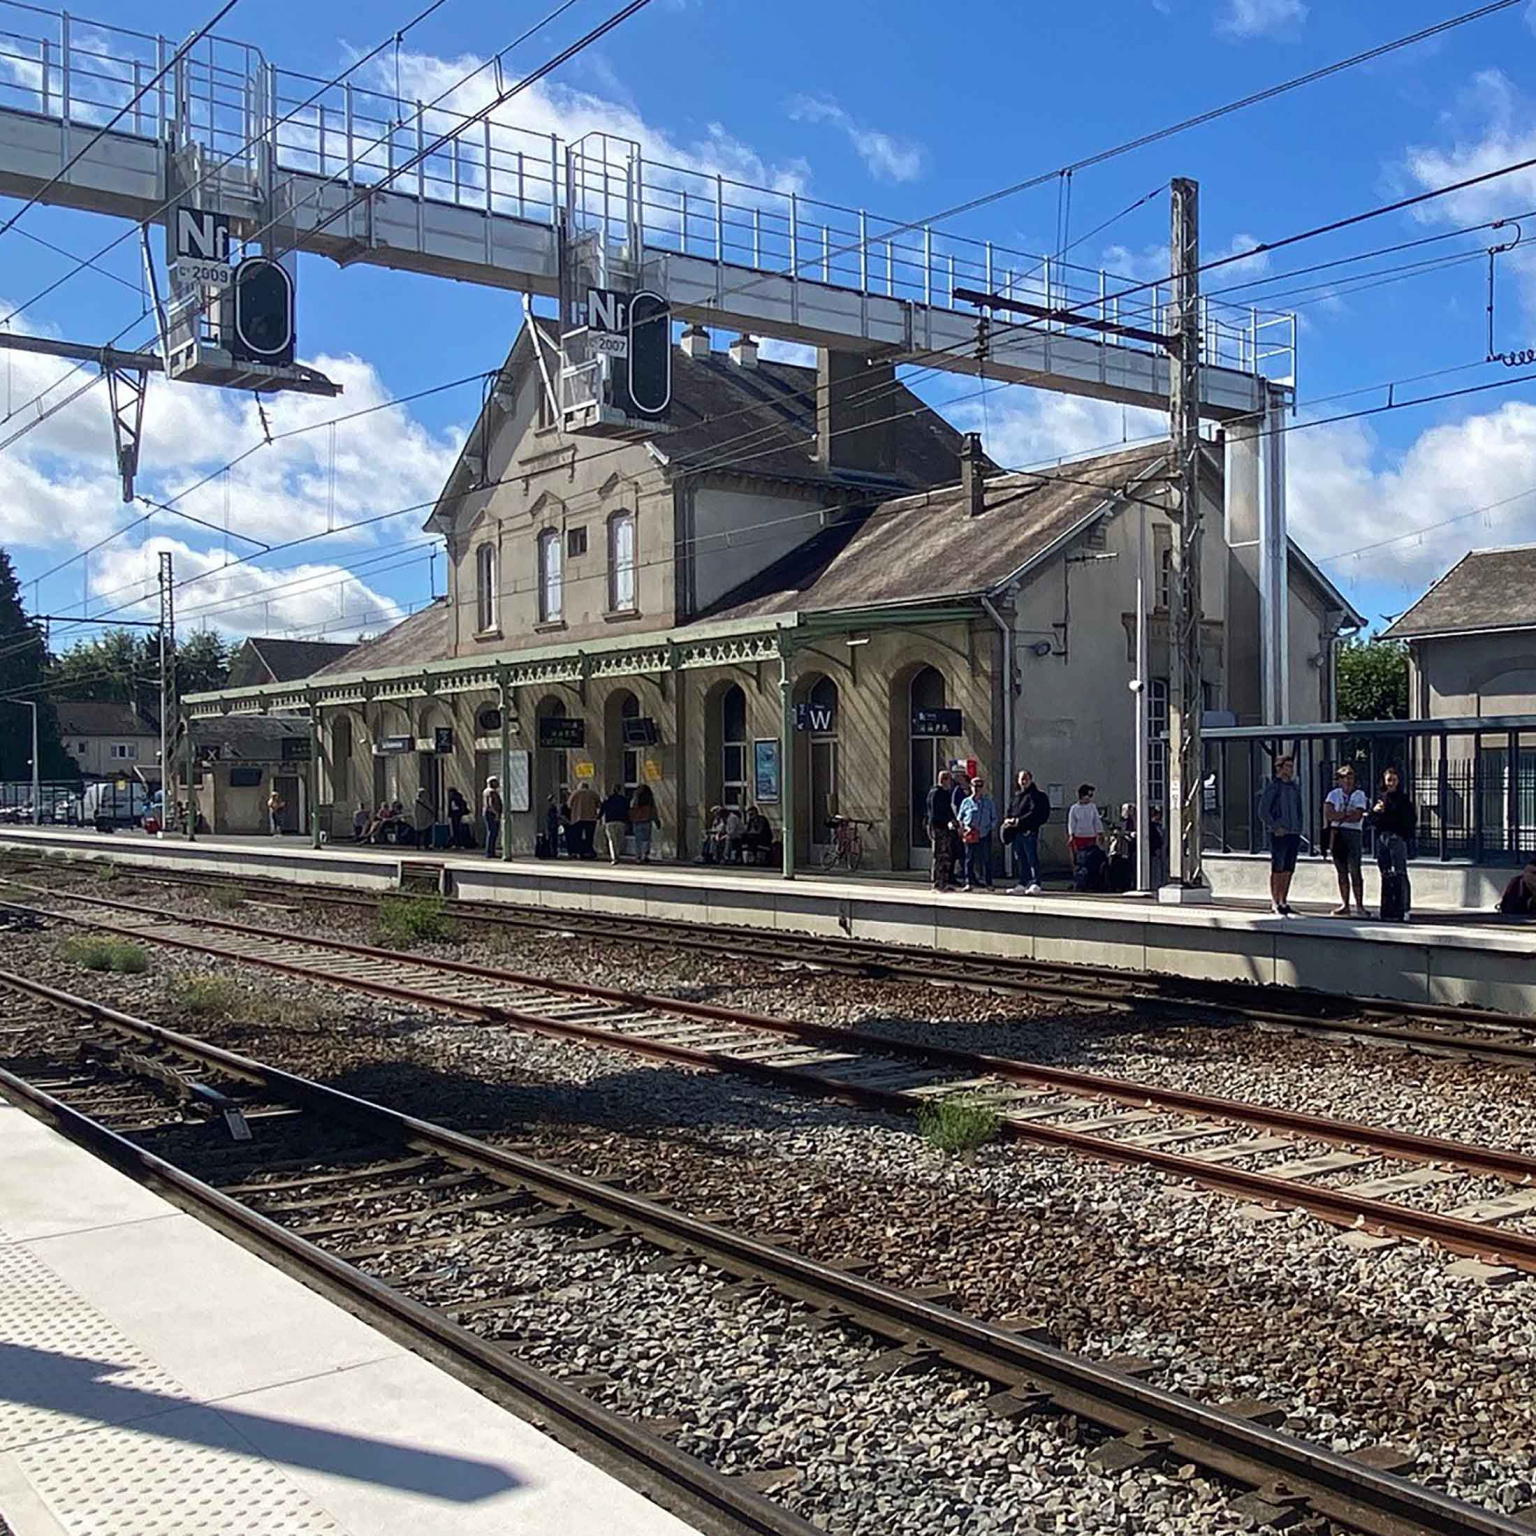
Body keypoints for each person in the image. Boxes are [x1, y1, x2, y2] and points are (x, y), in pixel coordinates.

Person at [1256, 756, 1303, 915]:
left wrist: (1298, 827)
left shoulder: (1294, 787)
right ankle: (1275, 901)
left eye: (1291, 766)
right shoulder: (1273, 787)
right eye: (1287, 766)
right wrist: (1275, 826)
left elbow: (1299, 809)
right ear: (1280, 768)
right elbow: (1263, 810)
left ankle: (1284, 900)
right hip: (1279, 833)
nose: (1290, 770)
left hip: (1293, 832)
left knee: (1289, 868)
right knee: (1278, 867)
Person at [1372, 766, 1417, 922]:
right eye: (1388, 780)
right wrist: (1375, 812)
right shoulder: (1381, 798)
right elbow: (1373, 821)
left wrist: (1403, 834)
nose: (1391, 783)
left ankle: (1404, 908)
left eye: (1394, 780)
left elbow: (1410, 819)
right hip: (1382, 838)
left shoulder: (1403, 799)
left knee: (1400, 872)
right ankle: (1388, 907)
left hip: (1396, 837)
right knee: (1385, 872)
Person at [1323, 764, 1367, 916]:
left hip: (1353, 833)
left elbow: (1358, 816)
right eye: (1344, 778)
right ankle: (1345, 904)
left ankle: (1359, 905)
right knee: (1341, 870)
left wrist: (1340, 815)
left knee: (1355, 869)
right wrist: (1346, 814)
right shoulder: (1333, 795)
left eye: (1350, 777)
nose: (1347, 781)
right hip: (1337, 833)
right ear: (1339, 780)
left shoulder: (1359, 795)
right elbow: (1329, 814)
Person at [1005, 770, 1051, 894]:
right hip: (1017, 832)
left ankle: (1035, 882)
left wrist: (1019, 821)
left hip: (1029, 831)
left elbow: (1036, 813)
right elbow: (1010, 811)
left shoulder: (1037, 796)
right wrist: (1008, 820)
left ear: (1031, 779)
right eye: (1021, 779)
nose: (1023, 781)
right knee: (1020, 858)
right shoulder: (1017, 797)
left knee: (1031, 858)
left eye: (1026, 778)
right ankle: (1023, 882)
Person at [957, 773, 999, 891]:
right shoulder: (966, 802)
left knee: (986, 859)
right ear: (971, 787)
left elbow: (994, 818)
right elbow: (960, 818)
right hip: (970, 834)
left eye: (979, 786)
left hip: (984, 834)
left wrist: (988, 828)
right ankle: (969, 882)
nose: (977, 789)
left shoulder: (988, 802)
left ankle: (988, 883)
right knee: (969, 859)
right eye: (975, 786)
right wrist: (964, 829)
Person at [1066, 783, 1106, 892]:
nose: (1090, 798)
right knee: (1079, 859)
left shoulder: (1092, 807)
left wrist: (1100, 833)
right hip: (1079, 837)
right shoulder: (1074, 808)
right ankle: (1079, 879)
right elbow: (1071, 823)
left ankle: (1091, 880)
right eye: (1089, 795)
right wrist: (1071, 835)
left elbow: (1096, 821)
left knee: (1091, 858)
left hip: (1090, 837)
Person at [925, 769, 956, 892]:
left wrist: (953, 820)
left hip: (944, 827)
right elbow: (936, 813)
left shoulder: (945, 793)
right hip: (938, 827)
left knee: (946, 856)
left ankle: (945, 881)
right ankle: (938, 882)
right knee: (940, 855)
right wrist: (948, 820)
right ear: (943, 780)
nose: (950, 783)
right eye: (949, 780)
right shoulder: (936, 793)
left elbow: (948, 810)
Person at [567, 779, 601, 859]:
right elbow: (599, 804)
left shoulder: (575, 793)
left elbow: (569, 805)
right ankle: (589, 852)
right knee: (589, 837)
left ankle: (579, 852)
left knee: (578, 836)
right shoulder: (593, 793)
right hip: (591, 818)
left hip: (578, 818)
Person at [601, 783, 631, 863]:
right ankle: (617, 854)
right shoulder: (624, 800)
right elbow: (628, 811)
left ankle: (614, 857)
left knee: (612, 840)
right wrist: (628, 821)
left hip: (610, 821)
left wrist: (598, 817)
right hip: (621, 821)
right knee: (619, 840)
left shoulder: (608, 800)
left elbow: (602, 809)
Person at [630, 783, 658, 863]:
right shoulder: (649, 800)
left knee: (638, 840)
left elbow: (631, 808)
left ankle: (638, 856)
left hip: (637, 821)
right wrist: (656, 820)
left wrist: (631, 818)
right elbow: (653, 811)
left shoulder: (635, 799)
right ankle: (645, 855)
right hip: (647, 821)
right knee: (646, 839)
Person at [482, 775, 503, 859]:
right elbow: (491, 804)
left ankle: (490, 851)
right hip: (491, 814)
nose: (497, 783)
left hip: (488, 813)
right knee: (493, 833)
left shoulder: (486, 791)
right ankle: (490, 852)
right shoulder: (491, 792)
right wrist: (496, 814)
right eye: (495, 782)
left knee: (491, 832)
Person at [1148, 802, 1167, 890]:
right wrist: (1155, 849)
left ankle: (1161, 882)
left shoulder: (1162, 826)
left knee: (1160, 868)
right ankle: (1154, 885)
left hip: (1161, 851)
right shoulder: (1150, 827)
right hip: (1154, 852)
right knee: (1154, 869)